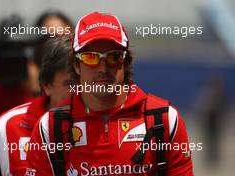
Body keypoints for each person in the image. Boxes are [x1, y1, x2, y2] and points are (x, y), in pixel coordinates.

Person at [25, 12, 193, 176]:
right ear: (76, 65)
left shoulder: (163, 119)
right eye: (91, 57)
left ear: (126, 63)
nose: (103, 68)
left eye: (114, 57)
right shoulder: (50, 127)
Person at [0, 36, 72, 176]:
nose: (80, 91)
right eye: (70, 84)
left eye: (84, 83)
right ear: (46, 85)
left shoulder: (109, 124)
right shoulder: (7, 127)